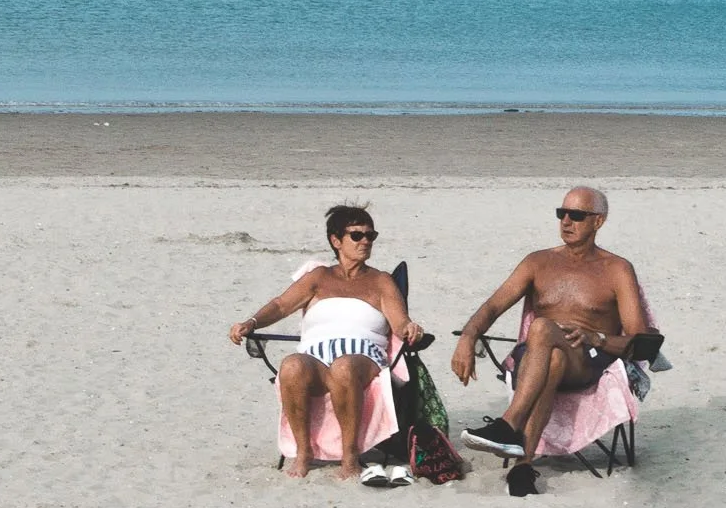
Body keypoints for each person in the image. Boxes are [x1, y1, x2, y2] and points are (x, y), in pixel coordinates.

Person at [449, 186, 649, 462]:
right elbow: (494, 305)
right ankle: (523, 466)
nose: (566, 222)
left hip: (586, 360)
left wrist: (596, 338)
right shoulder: (538, 262)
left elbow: (641, 342)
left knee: (542, 327)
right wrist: (468, 337)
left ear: (598, 221)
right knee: (551, 356)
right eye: (561, 213)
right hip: (537, 358)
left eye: (576, 215)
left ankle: (509, 424)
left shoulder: (616, 269)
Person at [229, 204, 428, 480]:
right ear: (336, 241)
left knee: (344, 367)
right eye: (357, 236)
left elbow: (399, 321)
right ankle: (303, 452)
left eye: (371, 235)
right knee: (291, 365)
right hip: (316, 357)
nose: (366, 241)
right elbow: (280, 305)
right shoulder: (319, 277)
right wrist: (251, 322)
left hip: (363, 358)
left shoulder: (381, 281)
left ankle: (350, 457)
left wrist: (410, 328)